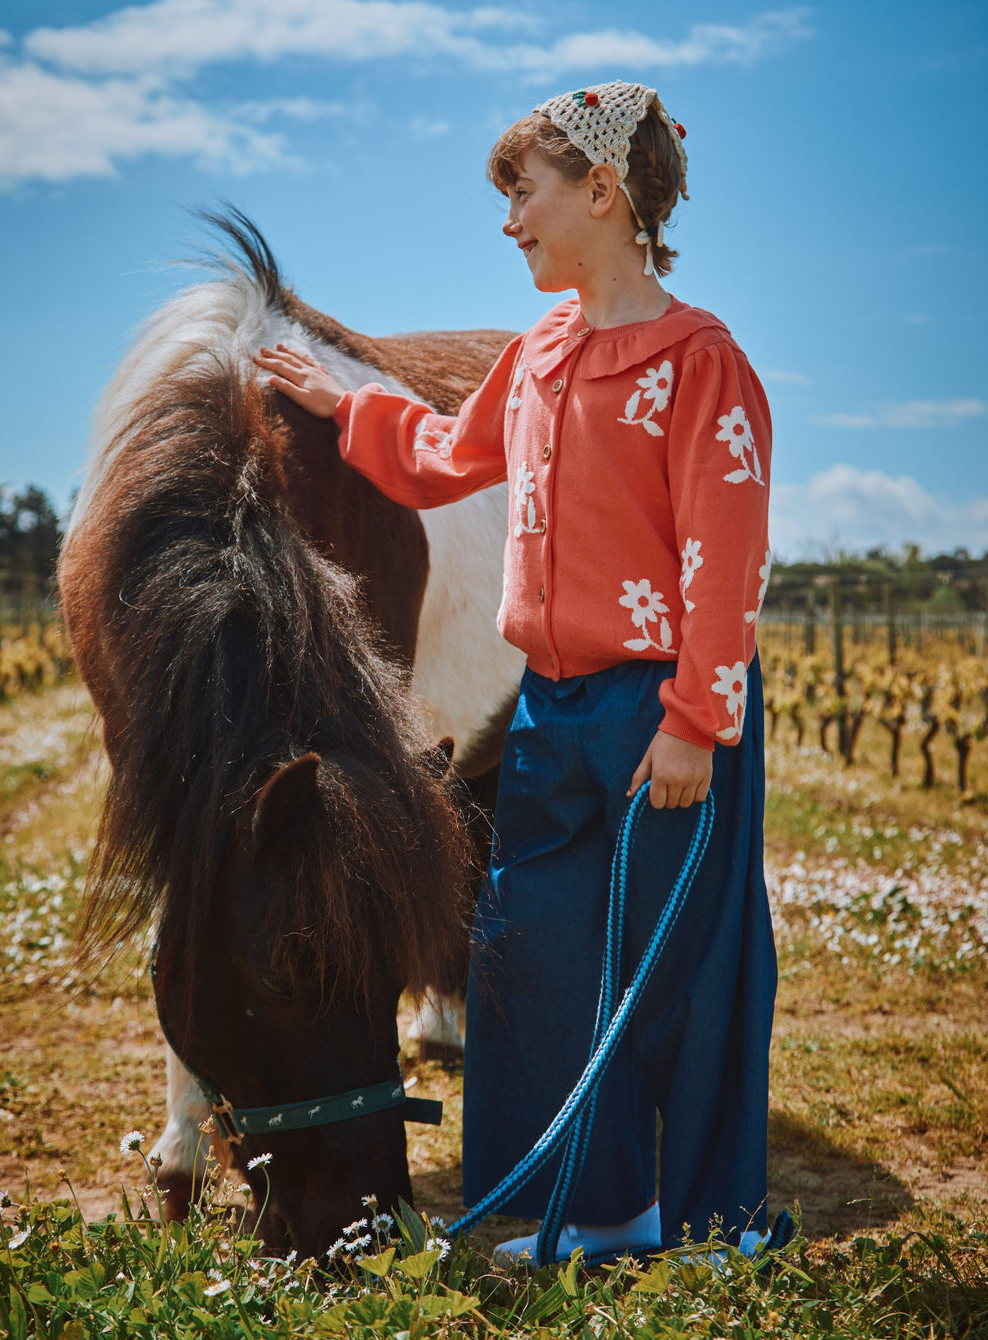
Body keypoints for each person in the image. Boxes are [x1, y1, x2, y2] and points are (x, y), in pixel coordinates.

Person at [254, 80, 781, 1265]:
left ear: (602, 192)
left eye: (521, 193)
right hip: (545, 711)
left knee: (678, 966)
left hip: (663, 711)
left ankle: (710, 1220)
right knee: (523, 957)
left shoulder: (701, 362)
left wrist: (697, 718)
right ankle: (579, 1208)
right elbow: (444, 456)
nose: (508, 223)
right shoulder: (537, 355)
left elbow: (727, 550)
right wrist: (348, 406)